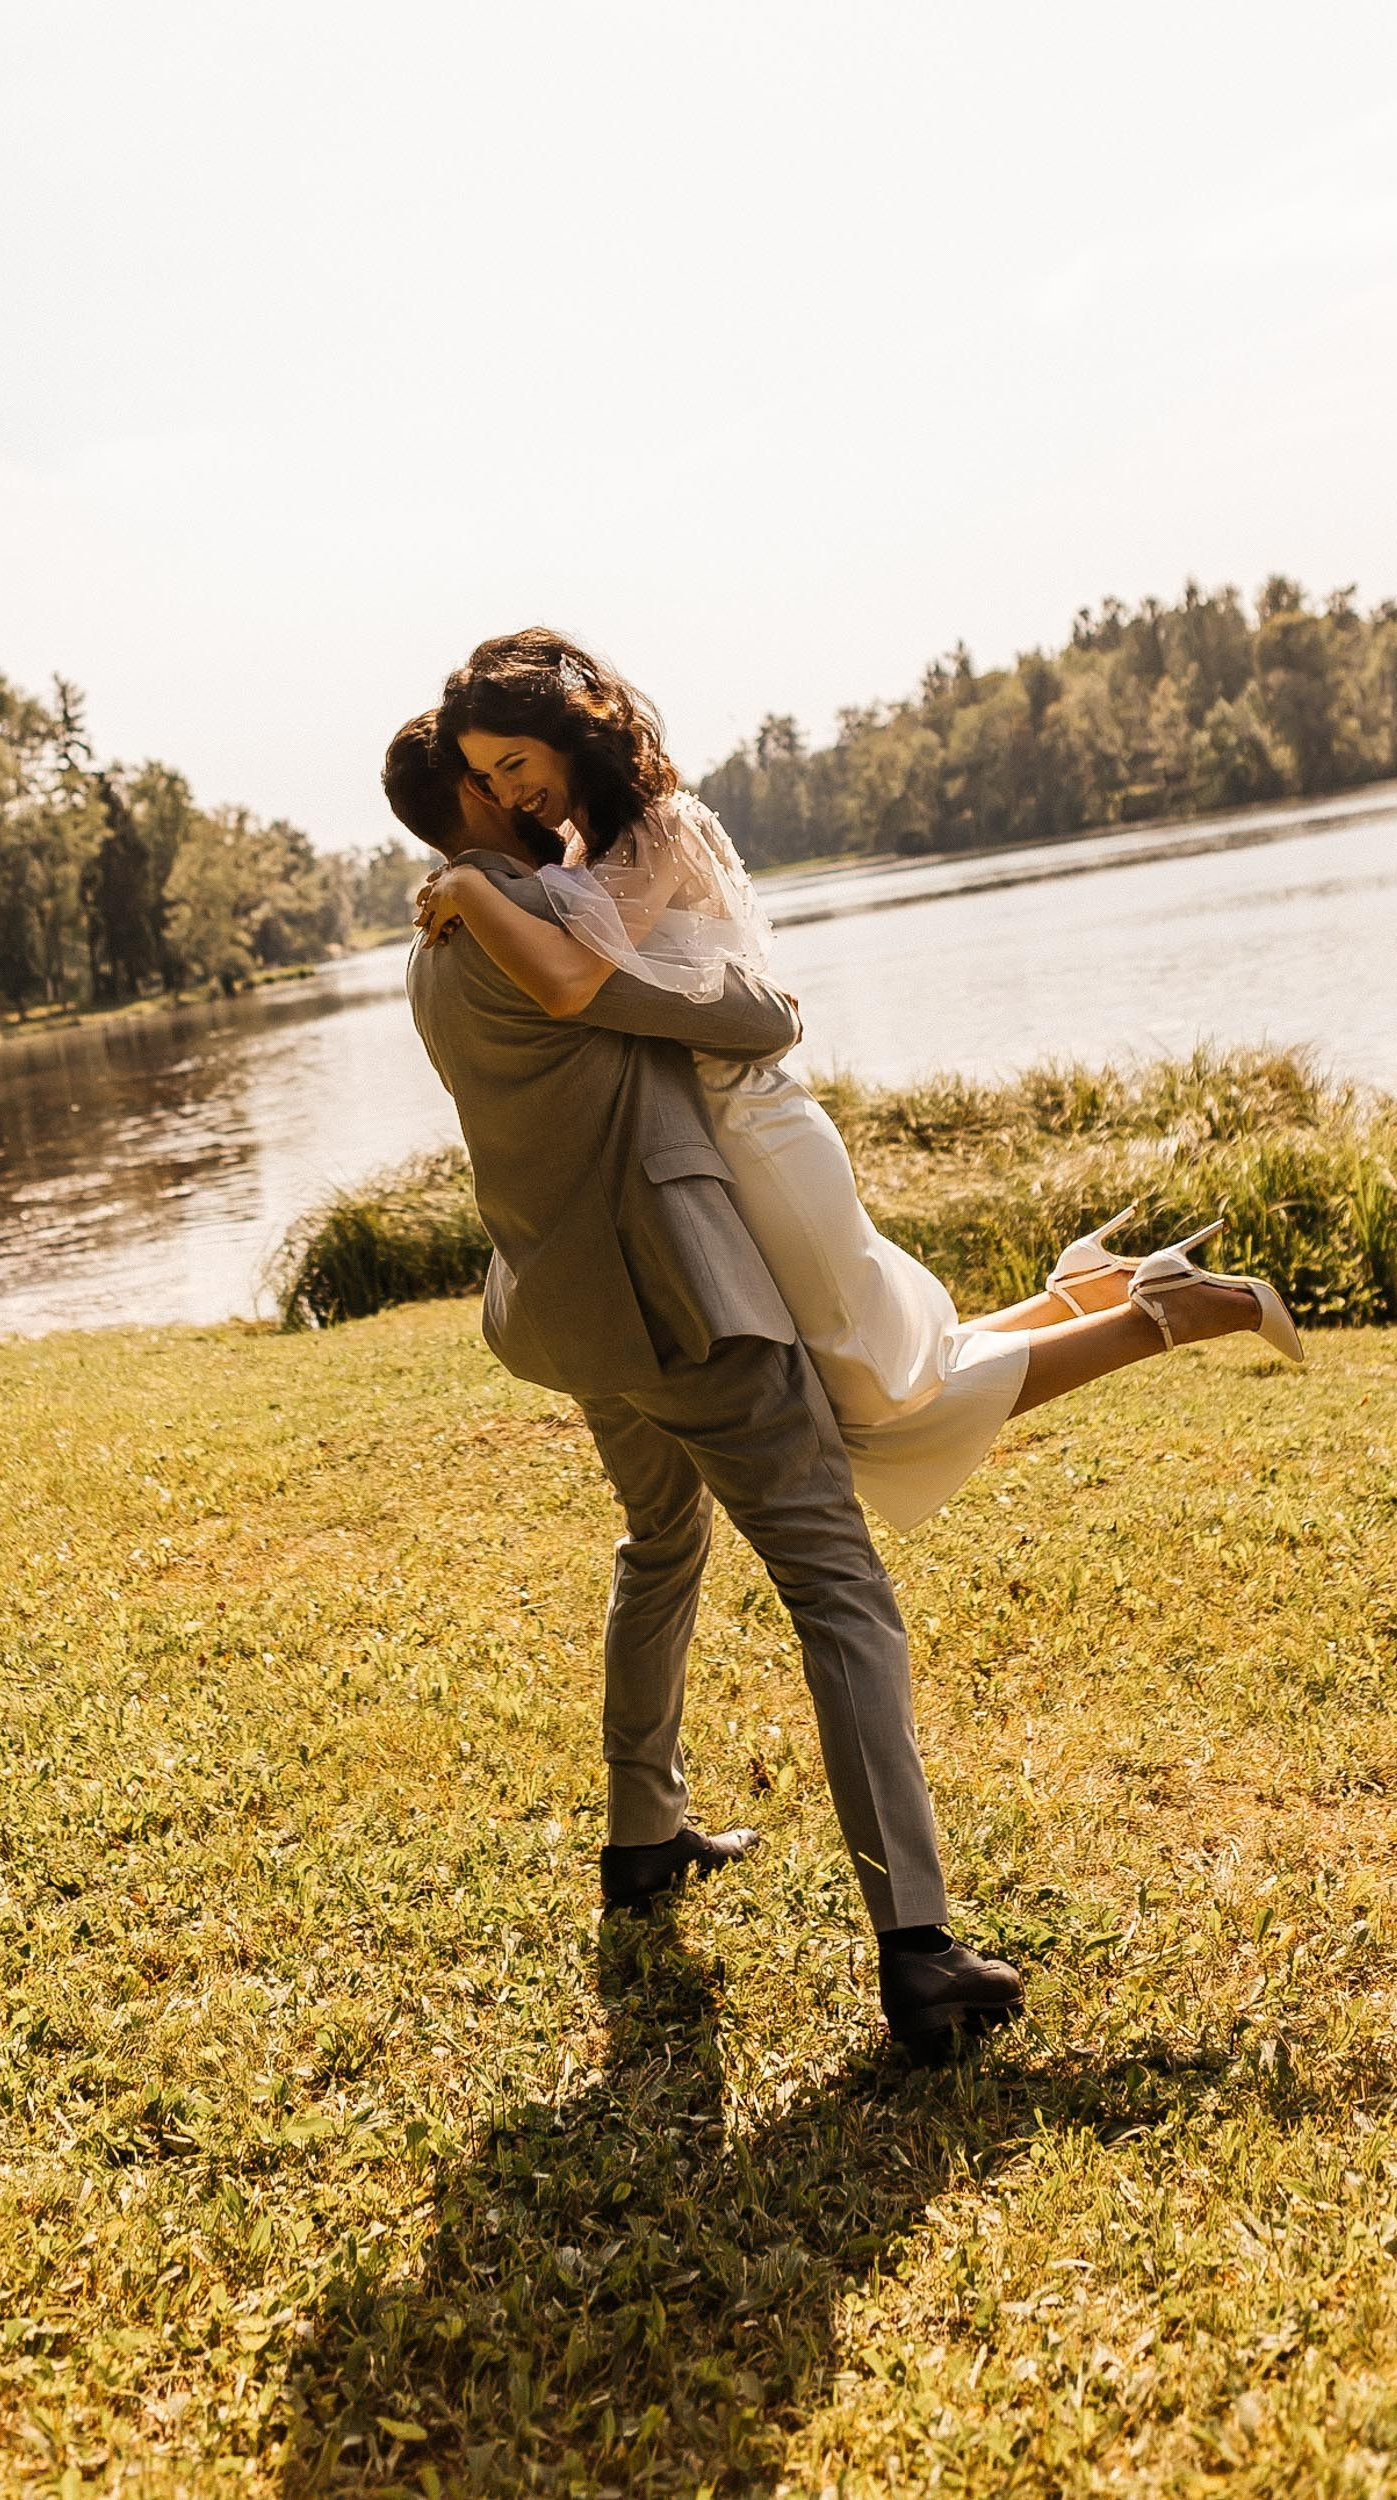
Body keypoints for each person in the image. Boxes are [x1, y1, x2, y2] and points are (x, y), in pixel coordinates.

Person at [384, 710, 1027, 2061]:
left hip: (568, 1312)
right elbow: (724, 1010)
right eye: (499, 779)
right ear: (470, 806)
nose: (524, 792)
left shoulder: (431, 951)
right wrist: (770, 1005)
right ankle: (917, 1951)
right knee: (837, 1592)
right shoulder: (519, 929)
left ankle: (640, 1835)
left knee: (661, 1541)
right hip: (682, 1307)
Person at [418, 628, 1303, 1538]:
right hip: (705, 1148)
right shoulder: (586, 848)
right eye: (489, 779)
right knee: (863, 1382)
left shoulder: (657, 829)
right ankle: (1092, 1289)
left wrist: (472, 890)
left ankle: (1179, 1309)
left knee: (878, 1398)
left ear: (572, 728)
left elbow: (570, 983)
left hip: (752, 1131)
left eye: (515, 761)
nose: (509, 790)